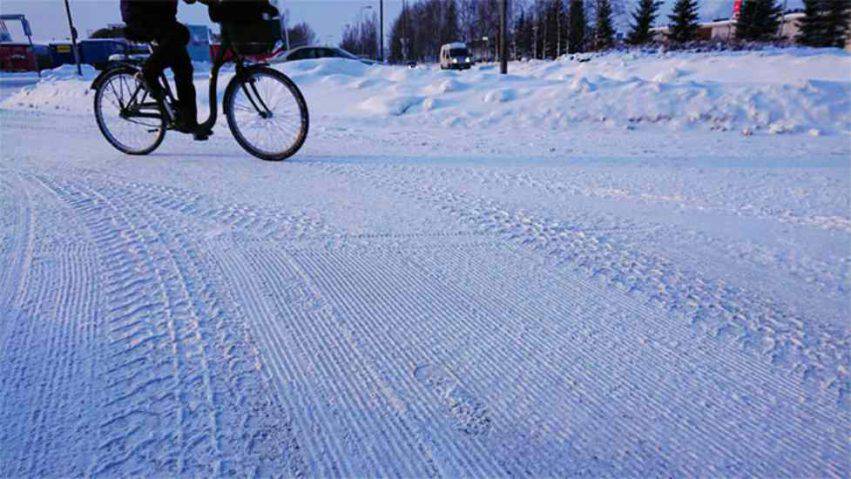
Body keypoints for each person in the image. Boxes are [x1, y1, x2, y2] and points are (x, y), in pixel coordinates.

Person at [120, 0, 209, 140]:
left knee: (184, 67)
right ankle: (147, 73)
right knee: (176, 36)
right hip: (140, 16)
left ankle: (189, 121)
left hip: (163, 19)